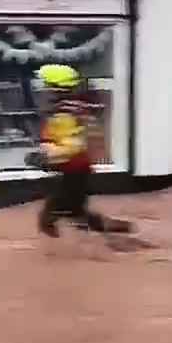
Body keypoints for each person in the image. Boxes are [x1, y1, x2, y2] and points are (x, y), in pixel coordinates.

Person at [33, 64, 132, 238]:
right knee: (73, 212)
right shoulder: (67, 111)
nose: (41, 91)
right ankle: (108, 231)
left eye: (45, 86)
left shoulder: (65, 115)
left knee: (52, 213)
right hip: (74, 169)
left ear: (56, 90)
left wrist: (47, 155)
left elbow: (74, 145)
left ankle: (60, 251)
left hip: (74, 171)